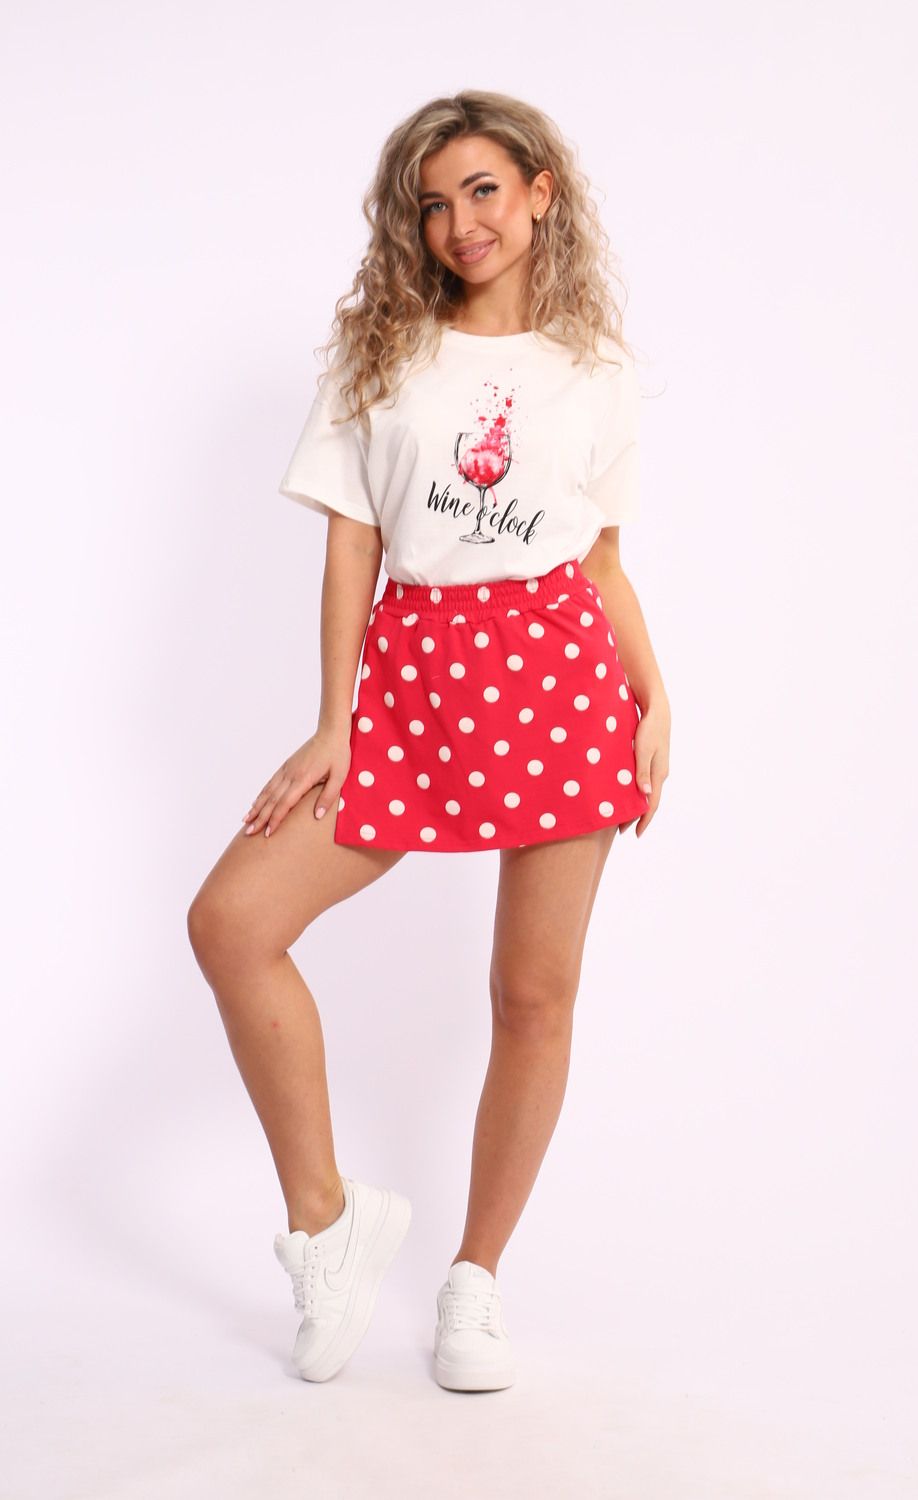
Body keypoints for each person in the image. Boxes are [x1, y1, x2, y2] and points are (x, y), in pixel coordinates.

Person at [187, 89, 672, 1394]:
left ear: (541, 194)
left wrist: (656, 700)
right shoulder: (383, 355)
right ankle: (330, 1225)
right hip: (413, 682)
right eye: (435, 203)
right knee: (232, 923)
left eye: (484, 191)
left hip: (562, 680)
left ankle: (477, 1279)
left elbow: (603, 561)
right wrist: (335, 721)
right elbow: (351, 545)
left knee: (533, 997)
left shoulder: (596, 369)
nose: (461, 222)